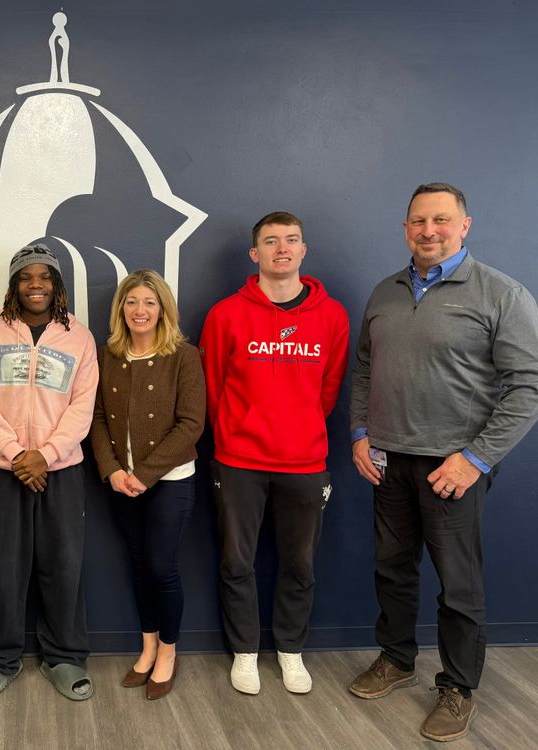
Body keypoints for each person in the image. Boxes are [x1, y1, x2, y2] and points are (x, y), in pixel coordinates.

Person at [348, 183, 538, 742]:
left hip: (452, 468)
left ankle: (458, 687)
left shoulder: (500, 293)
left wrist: (475, 459)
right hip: (388, 460)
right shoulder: (385, 291)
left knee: (458, 586)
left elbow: (528, 387)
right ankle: (396, 658)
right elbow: (365, 369)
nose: (428, 231)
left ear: (464, 225)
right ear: (405, 228)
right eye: (418, 221)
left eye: (441, 220)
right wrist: (360, 433)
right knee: (392, 570)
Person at [200, 211, 349, 696]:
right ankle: (245, 652)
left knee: (299, 565)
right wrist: (237, 432)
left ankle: (290, 650)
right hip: (239, 461)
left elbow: (329, 390)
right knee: (236, 562)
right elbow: (213, 388)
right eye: (270, 241)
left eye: (291, 240)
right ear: (255, 253)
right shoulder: (225, 314)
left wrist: (298, 426)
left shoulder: (332, 316)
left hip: (304, 462)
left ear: (303, 250)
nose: (281, 248)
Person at [0, 240, 98, 702]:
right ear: (14, 285)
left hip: (61, 470)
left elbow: (83, 405)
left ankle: (64, 657)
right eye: (26, 277)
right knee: (1, 566)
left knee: (63, 566)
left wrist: (46, 454)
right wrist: (16, 454)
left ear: (57, 284)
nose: (35, 285)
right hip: (3, 471)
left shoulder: (79, 337)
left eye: (44, 276)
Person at [89, 269, 205, 700]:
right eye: (132, 301)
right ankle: (148, 646)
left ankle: (169, 652)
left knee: (161, 567)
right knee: (138, 564)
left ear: (163, 310)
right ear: (121, 308)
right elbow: (96, 418)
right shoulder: (108, 355)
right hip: (122, 482)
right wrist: (113, 470)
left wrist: (144, 474)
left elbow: (191, 424)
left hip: (169, 480)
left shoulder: (183, 356)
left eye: (149, 302)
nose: (140, 310)